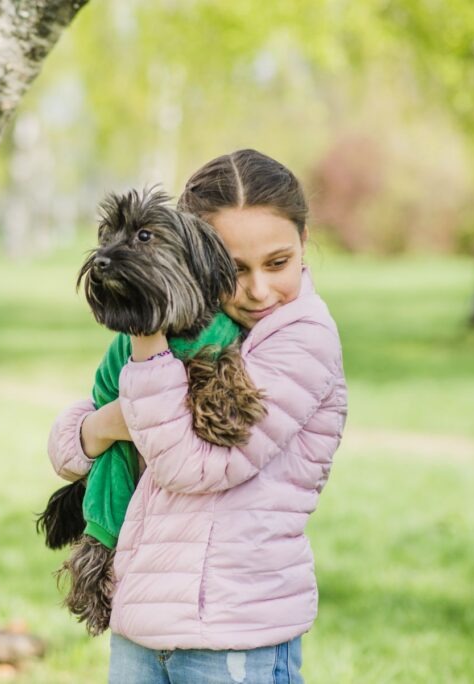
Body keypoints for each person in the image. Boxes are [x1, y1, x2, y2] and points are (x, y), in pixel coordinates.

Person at [48, 149, 348, 684]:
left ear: (304, 242)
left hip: (234, 631)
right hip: (145, 620)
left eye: (278, 263)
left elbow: (192, 466)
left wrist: (145, 341)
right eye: (235, 270)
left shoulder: (302, 339)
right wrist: (101, 426)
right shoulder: (188, 334)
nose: (259, 291)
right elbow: (68, 448)